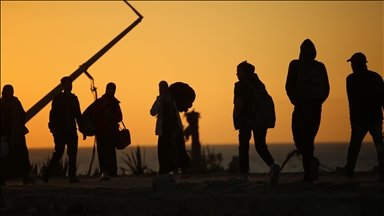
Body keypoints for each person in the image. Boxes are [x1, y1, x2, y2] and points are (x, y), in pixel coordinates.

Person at [285, 39, 330, 183]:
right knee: (309, 141)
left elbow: (289, 86)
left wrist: (297, 102)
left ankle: (310, 164)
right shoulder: (320, 66)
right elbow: (327, 89)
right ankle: (308, 174)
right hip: (316, 109)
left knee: (299, 139)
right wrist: (318, 103)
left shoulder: (295, 64)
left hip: (301, 108)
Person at [336, 52, 384, 182]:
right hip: (375, 117)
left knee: (355, 145)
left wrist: (352, 120)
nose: (351, 65)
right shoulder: (376, 77)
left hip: (361, 118)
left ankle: (349, 169)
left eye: (352, 63)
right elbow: (382, 98)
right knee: (379, 144)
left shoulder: (351, 79)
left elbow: (352, 101)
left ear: (356, 64)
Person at [233, 61, 280, 183]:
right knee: (260, 145)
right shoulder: (259, 84)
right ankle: (272, 165)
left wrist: (237, 118)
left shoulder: (240, 85)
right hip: (260, 119)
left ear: (245, 72)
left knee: (243, 146)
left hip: (246, 120)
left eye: (239, 71)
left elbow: (239, 104)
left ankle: (244, 174)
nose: (237, 74)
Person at [43, 76, 86, 183]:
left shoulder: (74, 99)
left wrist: (83, 129)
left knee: (72, 153)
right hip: (61, 131)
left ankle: (72, 176)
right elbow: (53, 115)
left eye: (70, 85)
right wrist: (54, 129)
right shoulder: (57, 99)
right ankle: (47, 173)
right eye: (67, 85)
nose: (69, 87)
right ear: (63, 86)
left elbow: (78, 115)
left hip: (71, 130)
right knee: (58, 153)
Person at [150, 81, 194, 177]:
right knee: (164, 150)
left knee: (180, 148)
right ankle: (164, 172)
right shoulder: (159, 100)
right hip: (164, 130)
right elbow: (152, 112)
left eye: (166, 86)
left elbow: (182, 106)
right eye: (162, 87)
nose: (164, 89)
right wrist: (159, 103)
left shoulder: (173, 99)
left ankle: (184, 169)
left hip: (175, 128)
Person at [1, 85, 35, 186]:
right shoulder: (1, 104)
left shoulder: (16, 102)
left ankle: (25, 177)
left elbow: (22, 115)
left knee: (22, 157)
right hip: (5, 136)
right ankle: (2, 179)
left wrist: (18, 126)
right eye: (8, 92)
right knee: (5, 159)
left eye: (11, 91)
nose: (10, 94)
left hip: (17, 135)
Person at [88, 82, 122, 180]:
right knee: (102, 152)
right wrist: (102, 108)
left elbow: (119, 117)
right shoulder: (101, 101)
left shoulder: (115, 103)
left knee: (111, 151)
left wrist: (111, 116)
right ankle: (104, 171)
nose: (111, 91)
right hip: (101, 131)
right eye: (109, 89)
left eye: (112, 89)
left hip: (111, 131)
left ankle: (112, 172)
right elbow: (92, 112)